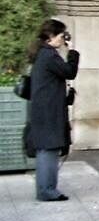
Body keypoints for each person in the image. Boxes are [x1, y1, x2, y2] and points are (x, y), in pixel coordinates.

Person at [27, 19, 79, 202]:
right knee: (48, 150)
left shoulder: (43, 53)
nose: (62, 39)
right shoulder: (49, 55)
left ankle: (47, 189)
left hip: (44, 110)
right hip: (48, 111)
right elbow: (69, 71)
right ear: (50, 36)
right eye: (60, 35)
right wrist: (72, 51)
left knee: (47, 150)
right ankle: (47, 190)